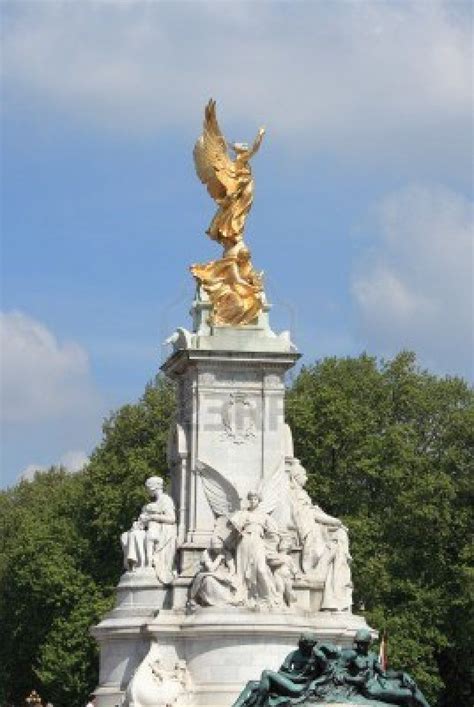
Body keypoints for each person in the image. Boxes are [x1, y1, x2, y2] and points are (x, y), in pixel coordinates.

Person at [121, 476, 177, 584]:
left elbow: (172, 519)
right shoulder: (152, 503)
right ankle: (136, 563)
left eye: (147, 488)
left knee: (147, 536)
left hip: (164, 531)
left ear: (153, 487)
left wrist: (152, 517)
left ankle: (147, 564)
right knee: (129, 535)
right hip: (153, 528)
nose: (147, 491)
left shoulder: (165, 499)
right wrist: (139, 523)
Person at [229, 491, 279, 606]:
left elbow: (274, 532)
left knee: (261, 569)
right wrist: (237, 529)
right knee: (241, 570)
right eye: (251, 499)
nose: (252, 501)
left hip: (258, 542)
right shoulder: (243, 513)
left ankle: (267, 597)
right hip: (245, 541)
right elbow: (230, 524)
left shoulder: (264, 516)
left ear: (259, 501)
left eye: (255, 499)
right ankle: (243, 595)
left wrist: (270, 544)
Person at [189, 536, 242, 607]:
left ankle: (235, 599)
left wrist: (229, 575)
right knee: (209, 581)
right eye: (216, 548)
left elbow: (232, 568)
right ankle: (227, 601)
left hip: (223, 574)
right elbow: (211, 569)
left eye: (219, 548)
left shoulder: (226, 552)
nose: (217, 550)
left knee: (236, 580)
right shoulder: (206, 553)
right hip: (209, 574)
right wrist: (219, 557)